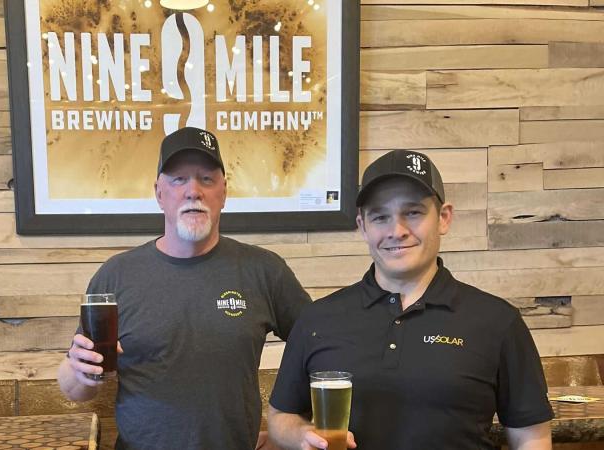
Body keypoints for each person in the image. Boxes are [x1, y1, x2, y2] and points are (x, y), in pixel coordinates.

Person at [267, 150, 553, 450]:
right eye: (380, 217)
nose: (397, 231)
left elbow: (532, 437)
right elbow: (280, 416)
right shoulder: (317, 318)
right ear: (363, 227)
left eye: (413, 213)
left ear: (444, 218)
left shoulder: (498, 321)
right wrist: (300, 435)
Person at [57, 126, 311, 450]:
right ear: (159, 193)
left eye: (206, 179)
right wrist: (78, 372)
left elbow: (318, 348)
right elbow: (76, 389)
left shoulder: (264, 270)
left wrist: (285, 428)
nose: (193, 191)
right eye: (179, 179)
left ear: (224, 192)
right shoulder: (116, 276)